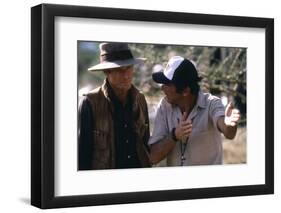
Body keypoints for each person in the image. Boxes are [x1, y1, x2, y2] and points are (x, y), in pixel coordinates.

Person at [149, 56, 241, 166]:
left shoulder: (212, 103)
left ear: (185, 91)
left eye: (167, 84)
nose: (162, 88)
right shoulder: (164, 107)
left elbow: (228, 131)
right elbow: (153, 157)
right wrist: (174, 135)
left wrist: (230, 124)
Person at [78, 42, 151, 170]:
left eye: (129, 68)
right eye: (119, 69)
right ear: (107, 72)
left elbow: (145, 144)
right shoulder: (90, 103)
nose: (126, 75)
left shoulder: (140, 99)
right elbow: (83, 155)